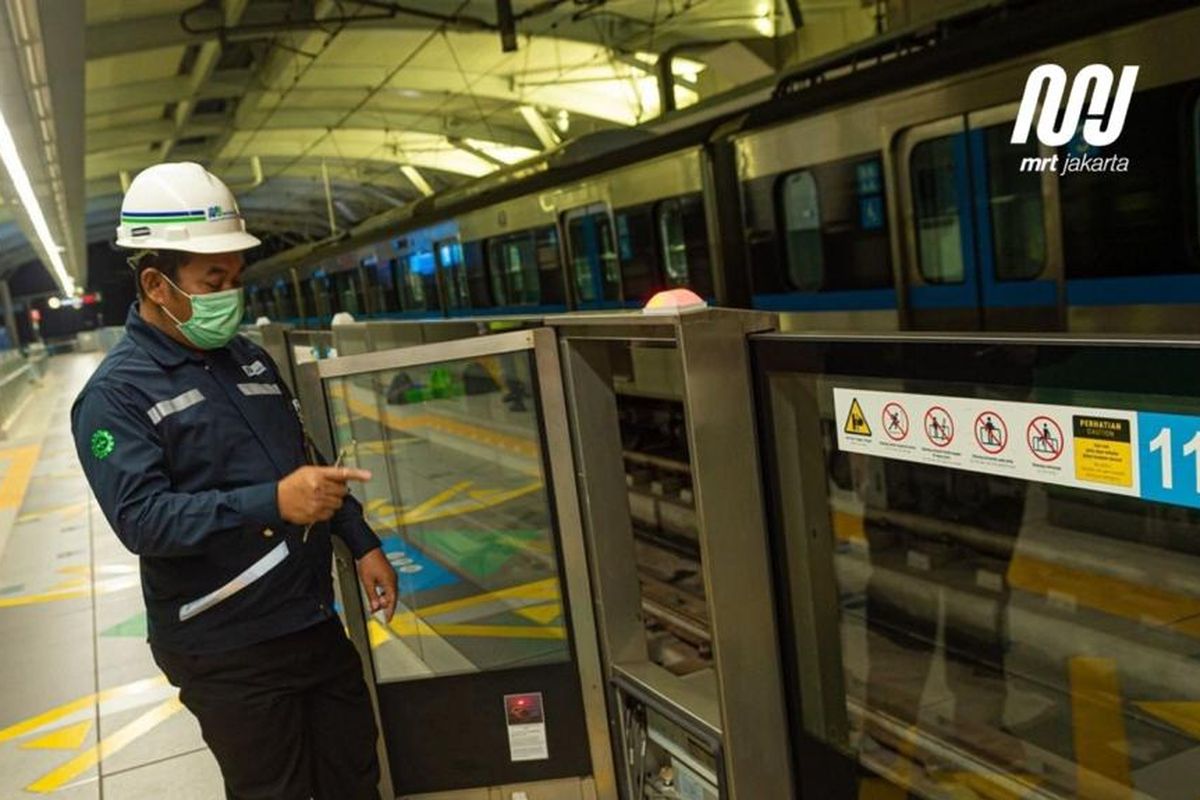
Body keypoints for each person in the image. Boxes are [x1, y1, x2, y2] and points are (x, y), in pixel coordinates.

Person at [70, 162, 398, 800]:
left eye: (236, 278)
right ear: (156, 283)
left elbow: (306, 461)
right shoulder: (115, 396)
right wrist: (271, 502)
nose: (231, 293)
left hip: (307, 619)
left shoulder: (247, 357)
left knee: (355, 774)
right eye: (212, 279)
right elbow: (143, 520)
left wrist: (361, 541)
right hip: (224, 643)